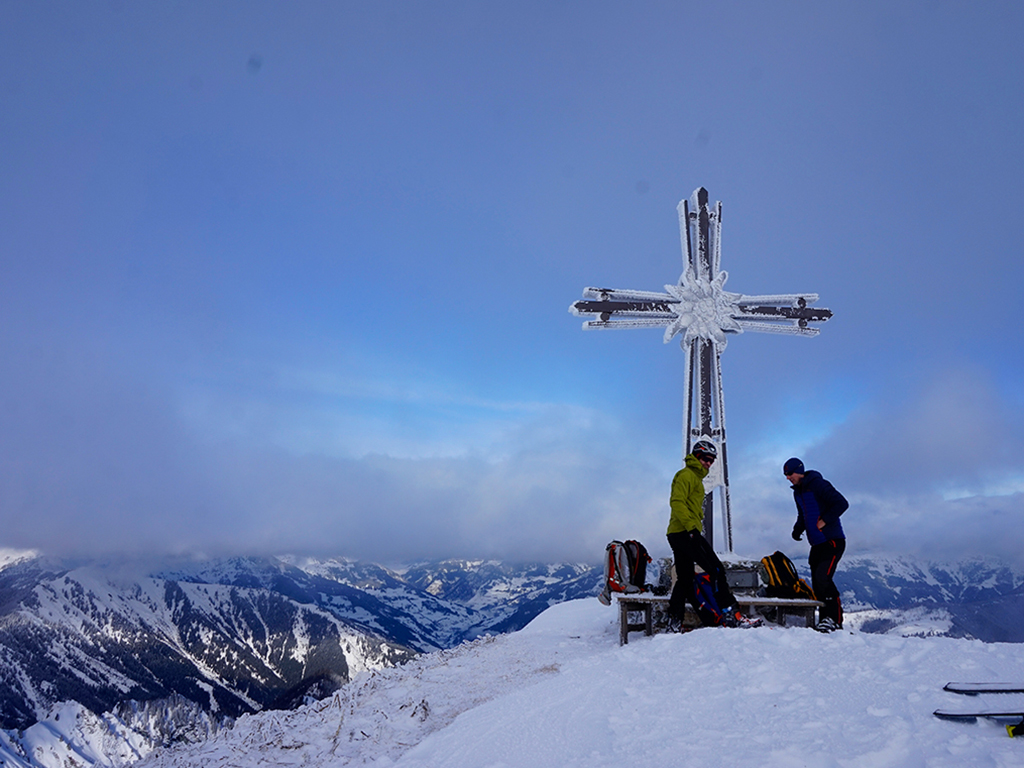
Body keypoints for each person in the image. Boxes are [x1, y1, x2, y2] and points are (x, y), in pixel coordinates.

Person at [666, 441, 755, 628]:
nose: (709, 463)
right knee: (715, 569)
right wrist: (692, 528)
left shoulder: (695, 478)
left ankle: (674, 620)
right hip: (685, 532)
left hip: (678, 533)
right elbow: (677, 502)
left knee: (685, 578)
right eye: (706, 459)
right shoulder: (686, 475)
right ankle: (731, 614)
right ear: (697, 456)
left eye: (712, 460)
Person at [784, 457, 848, 633]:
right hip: (817, 543)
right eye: (786, 475)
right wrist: (797, 530)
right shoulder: (797, 492)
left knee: (823, 578)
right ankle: (825, 619)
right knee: (818, 584)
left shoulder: (818, 484)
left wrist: (825, 521)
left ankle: (834, 620)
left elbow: (842, 503)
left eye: (790, 474)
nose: (788, 478)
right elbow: (803, 515)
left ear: (799, 471)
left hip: (833, 540)